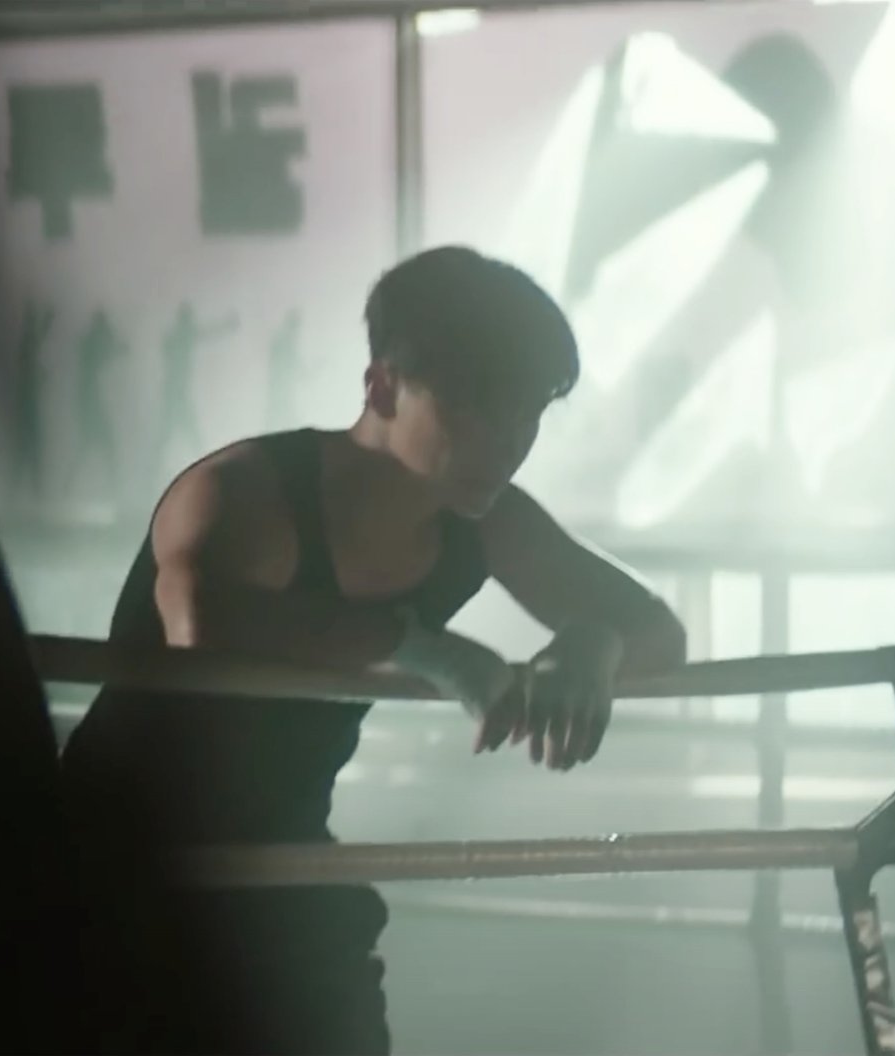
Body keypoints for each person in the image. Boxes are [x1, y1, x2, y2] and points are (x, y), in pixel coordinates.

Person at [60, 246, 690, 1055]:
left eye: (528, 413)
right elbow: (200, 617)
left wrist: (591, 644)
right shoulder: (248, 490)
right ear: (383, 385)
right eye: (476, 408)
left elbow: (657, 630)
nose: (506, 443)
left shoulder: (488, 520)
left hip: (284, 865)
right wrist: (421, 648)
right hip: (116, 864)